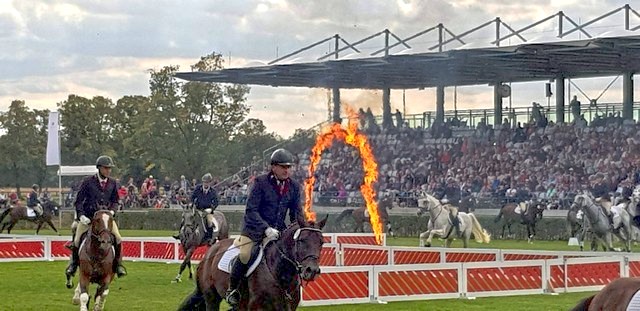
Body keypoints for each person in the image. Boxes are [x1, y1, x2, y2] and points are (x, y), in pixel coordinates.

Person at [225, 148, 303, 308]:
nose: (286, 170)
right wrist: (266, 228)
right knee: (246, 254)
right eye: (283, 167)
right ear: (273, 167)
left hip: (278, 232)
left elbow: (296, 212)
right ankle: (233, 290)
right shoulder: (261, 182)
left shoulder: (294, 186)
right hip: (253, 230)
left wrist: (298, 227)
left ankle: (287, 291)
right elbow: (251, 210)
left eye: (289, 167)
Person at [65, 155, 127, 278]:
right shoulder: (88, 181)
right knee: (77, 240)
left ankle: (118, 265)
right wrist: (81, 215)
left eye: (110, 168)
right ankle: (73, 264)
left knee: (118, 238)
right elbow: (79, 201)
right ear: (99, 168)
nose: (108, 170)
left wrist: (112, 212)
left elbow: (115, 201)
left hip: (105, 219)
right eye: (106, 168)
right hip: (89, 218)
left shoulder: (113, 183)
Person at [172, 173, 219, 241]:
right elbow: (192, 197)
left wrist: (211, 209)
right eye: (204, 182)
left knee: (209, 222)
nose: (206, 184)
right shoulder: (198, 188)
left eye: (207, 182)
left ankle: (209, 238)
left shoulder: (213, 192)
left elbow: (216, 202)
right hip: (197, 208)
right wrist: (191, 204)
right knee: (186, 217)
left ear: (210, 183)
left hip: (207, 210)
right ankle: (180, 234)